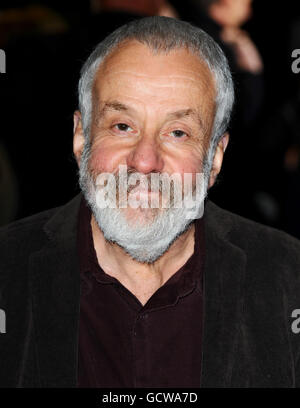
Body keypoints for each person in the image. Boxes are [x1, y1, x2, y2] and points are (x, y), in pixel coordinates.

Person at [0, 16, 299, 388]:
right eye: (122, 126)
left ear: (215, 158)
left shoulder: (289, 277)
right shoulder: (6, 270)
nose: (144, 161)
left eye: (177, 133)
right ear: (81, 137)